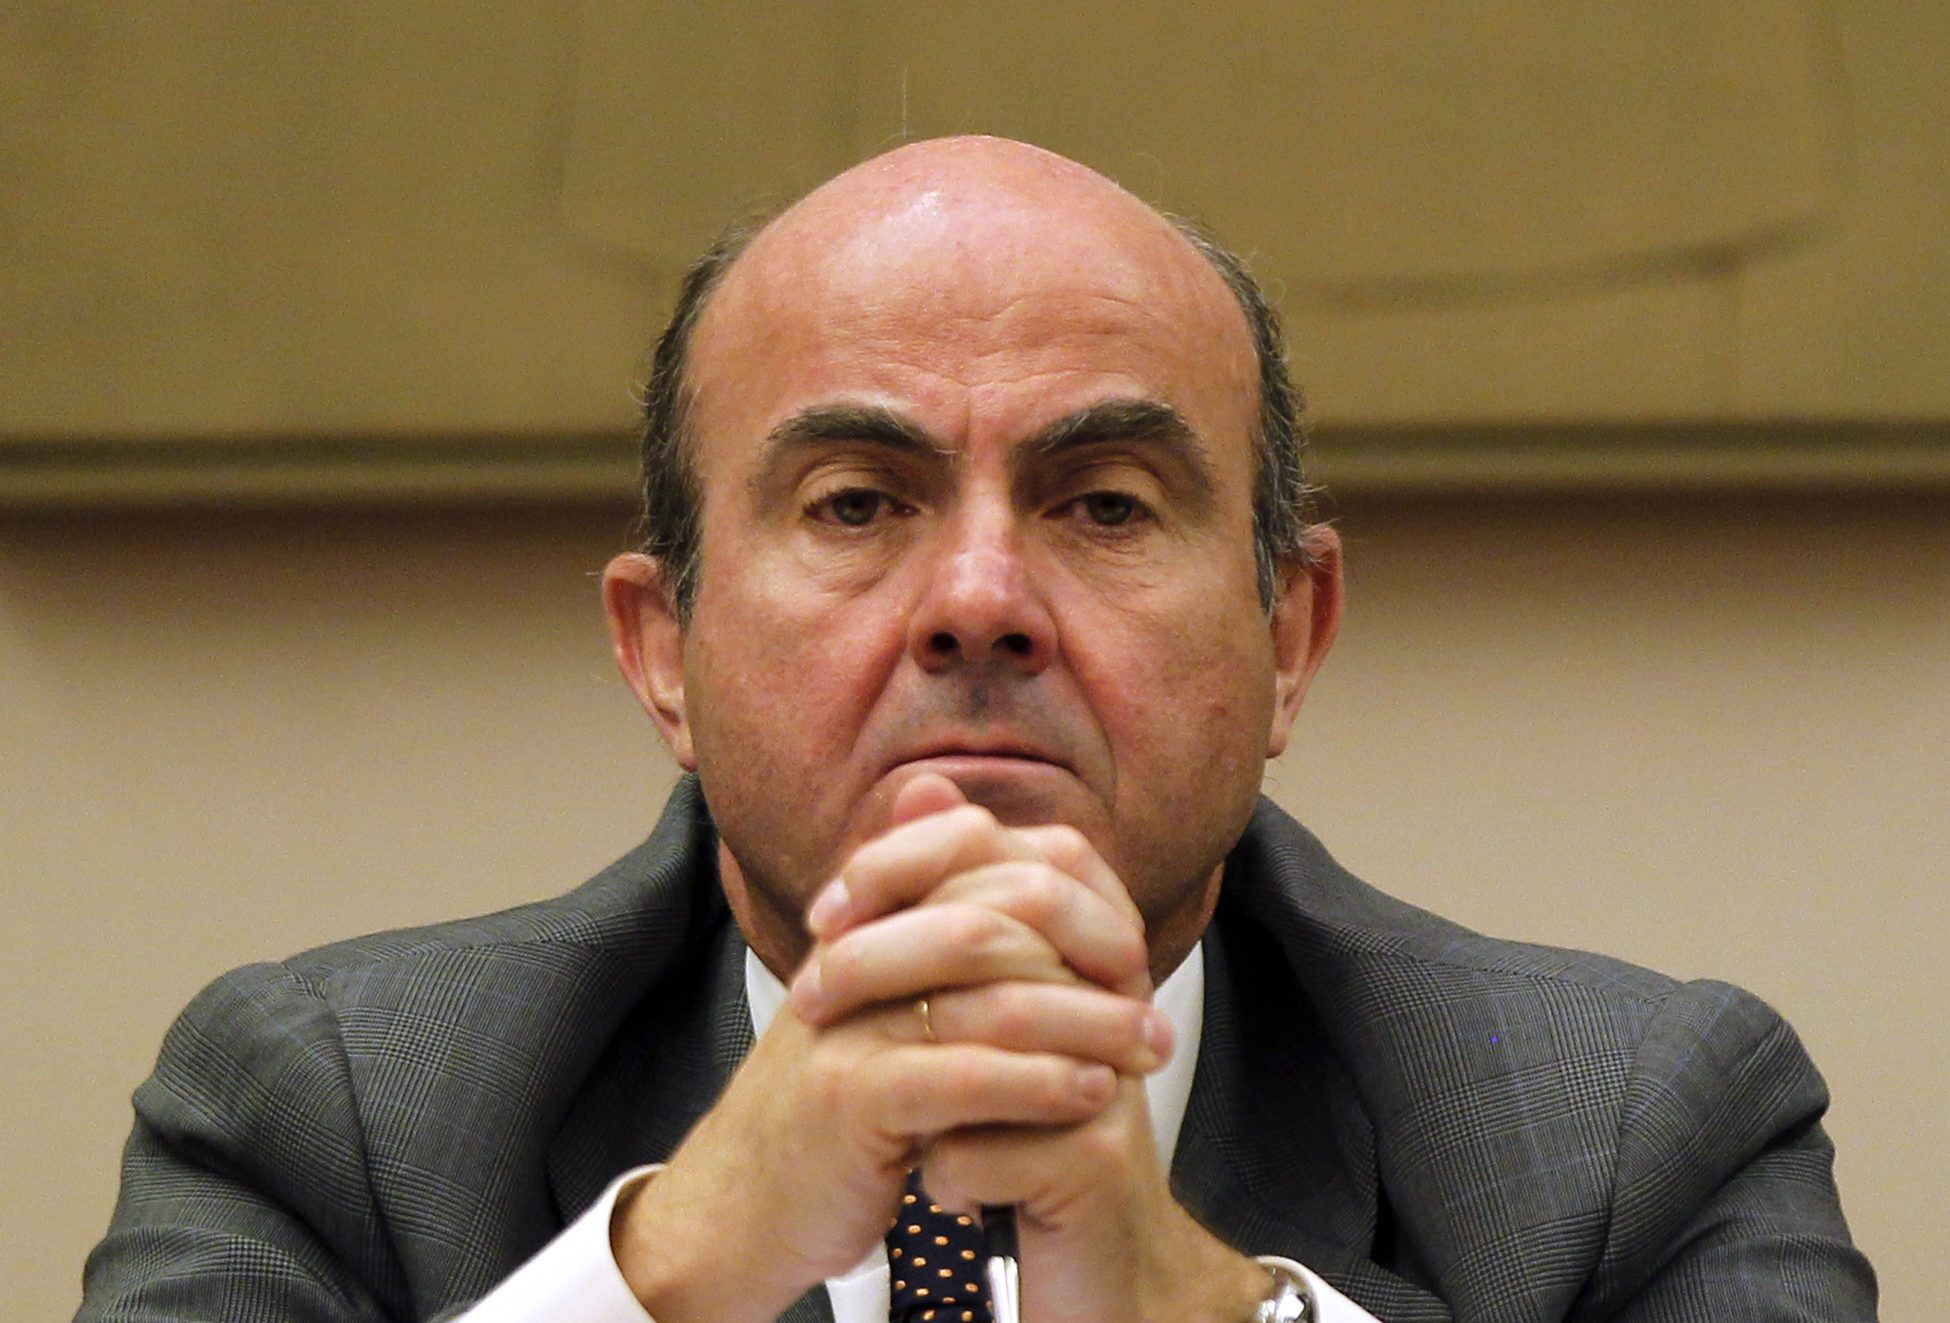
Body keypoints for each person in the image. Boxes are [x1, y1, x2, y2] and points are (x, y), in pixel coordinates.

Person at [78, 137, 1876, 1322]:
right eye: (857, 504)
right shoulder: (332, 1110)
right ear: (662, 652)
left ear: (1288, 639)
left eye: (1104, 505)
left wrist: (1197, 1308)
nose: (979, 600)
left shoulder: (1633, 1130)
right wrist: (668, 1276)